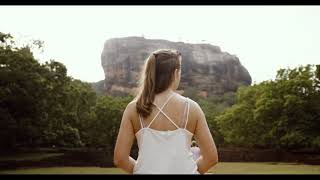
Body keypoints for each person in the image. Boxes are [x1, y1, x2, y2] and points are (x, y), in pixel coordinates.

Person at [113, 49, 218, 174]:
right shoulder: (192, 108)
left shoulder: (134, 108)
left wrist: (141, 170)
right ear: (175, 73)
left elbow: (120, 159)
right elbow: (211, 158)